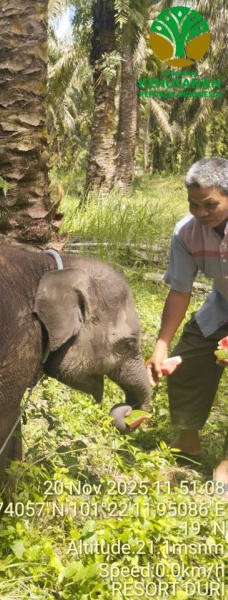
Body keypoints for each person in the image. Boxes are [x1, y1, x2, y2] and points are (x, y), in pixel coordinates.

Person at [146, 156, 228, 494]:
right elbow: (180, 292)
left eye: (210, 204)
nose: (201, 213)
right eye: (194, 205)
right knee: (184, 364)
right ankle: (188, 440)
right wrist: (161, 345)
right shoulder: (185, 232)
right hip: (221, 309)